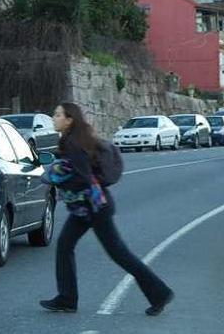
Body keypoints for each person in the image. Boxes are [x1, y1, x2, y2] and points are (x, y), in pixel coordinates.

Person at [40, 102, 174, 316]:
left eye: (57, 115)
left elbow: (84, 178)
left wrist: (59, 176)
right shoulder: (73, 140)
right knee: (65, 245)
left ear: (69, 119)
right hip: (85, 208)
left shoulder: (74, 144)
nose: (53, 118)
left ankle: (160, 293)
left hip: (95, 207)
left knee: (119, 254)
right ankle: (66, 298)